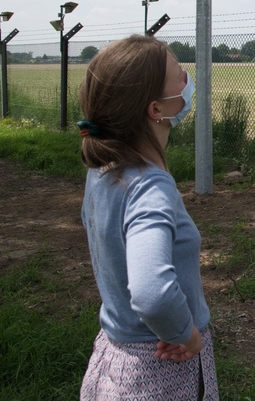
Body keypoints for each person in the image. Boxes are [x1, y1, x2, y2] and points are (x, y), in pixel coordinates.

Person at [76, 34, 218, 400]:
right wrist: (186, 335)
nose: (188, 80)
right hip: (160, 370)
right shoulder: (149, 187)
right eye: (179, 75)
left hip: (114, 357)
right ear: (156, 109)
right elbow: (152, 293)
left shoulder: (104, 171)